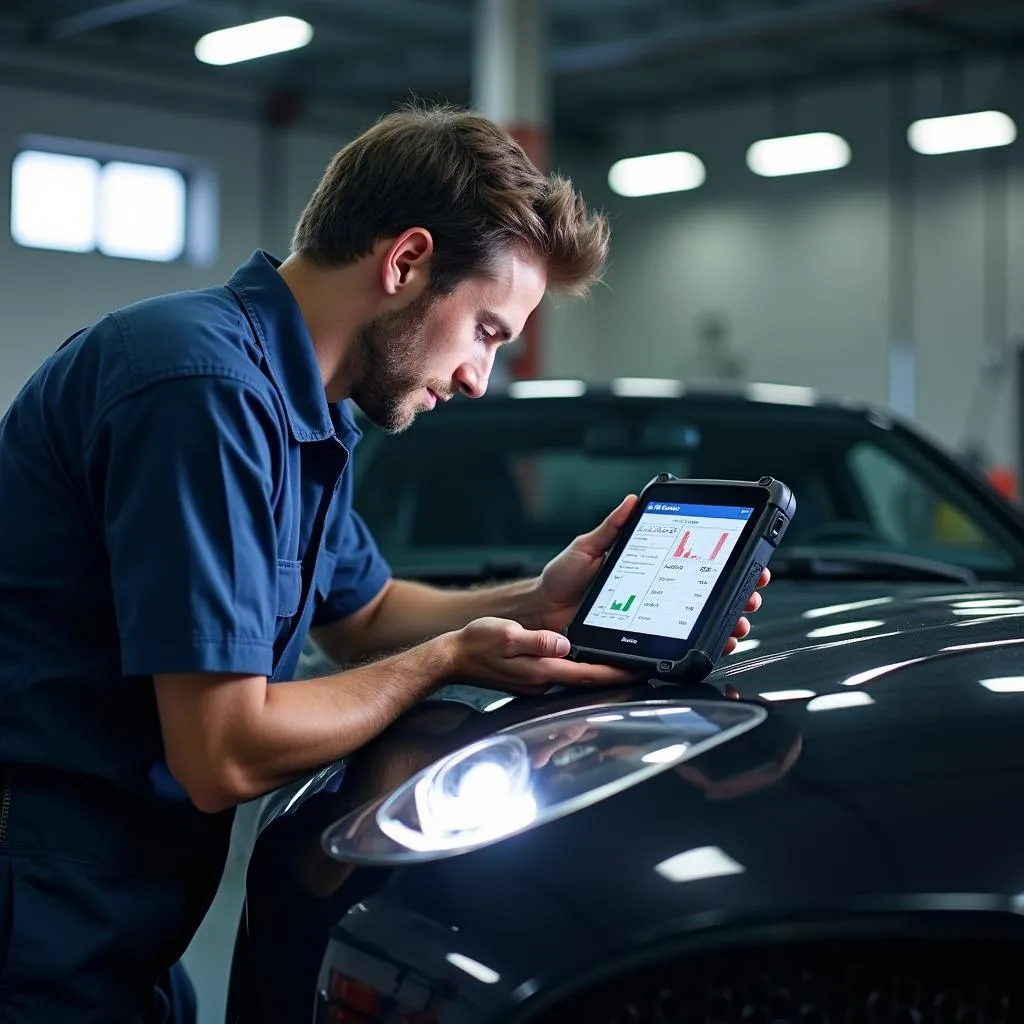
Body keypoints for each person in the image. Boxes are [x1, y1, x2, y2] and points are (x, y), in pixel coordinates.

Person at [0, 102, 767, 1023]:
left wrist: (542, 600)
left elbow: (361, 614)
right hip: (35, 910)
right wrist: (450, 660)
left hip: (118, 916)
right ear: (404, 264)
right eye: (486, 330)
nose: (482, 377)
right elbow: (224, 752)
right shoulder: (202, 391)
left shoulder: (306, 409)